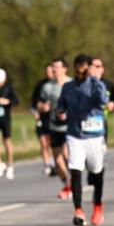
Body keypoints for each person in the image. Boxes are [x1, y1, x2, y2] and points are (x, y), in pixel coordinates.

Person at [56, 54, 108, 226]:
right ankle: (78, 210)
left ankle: (98, 205)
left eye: (84, 67)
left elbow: (103, 101)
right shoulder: (67, 87)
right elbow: (61, 104)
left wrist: (95, 79)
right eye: (78, 66)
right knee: (76, 171)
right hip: (75, 134)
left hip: (94, 136)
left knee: (96, 172)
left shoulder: (95, 85)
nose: (81, 70)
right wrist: (60, 111)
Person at [39, 57, 72, 199]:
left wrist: (68, 114)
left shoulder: (72, 84)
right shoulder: (47, 87)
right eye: (53, 67)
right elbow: (40, 104)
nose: (54, 70)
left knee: (67, 156)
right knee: (58, 160)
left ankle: (73, 182)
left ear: (64, 69)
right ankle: (67, 184)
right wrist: (43, 107)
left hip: (70, 126)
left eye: (57, 67)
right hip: (54, 126)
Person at [31, 63, 55, 176]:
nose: (49, 73)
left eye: (51, 71)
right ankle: (47, 165)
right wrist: (36, 112)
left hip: (54, 118)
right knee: (42, 141)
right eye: (47, 71)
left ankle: (52, 162)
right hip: (42, 118)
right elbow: (34, 103)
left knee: (51, 142)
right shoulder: (40, 85)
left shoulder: (57, 84)